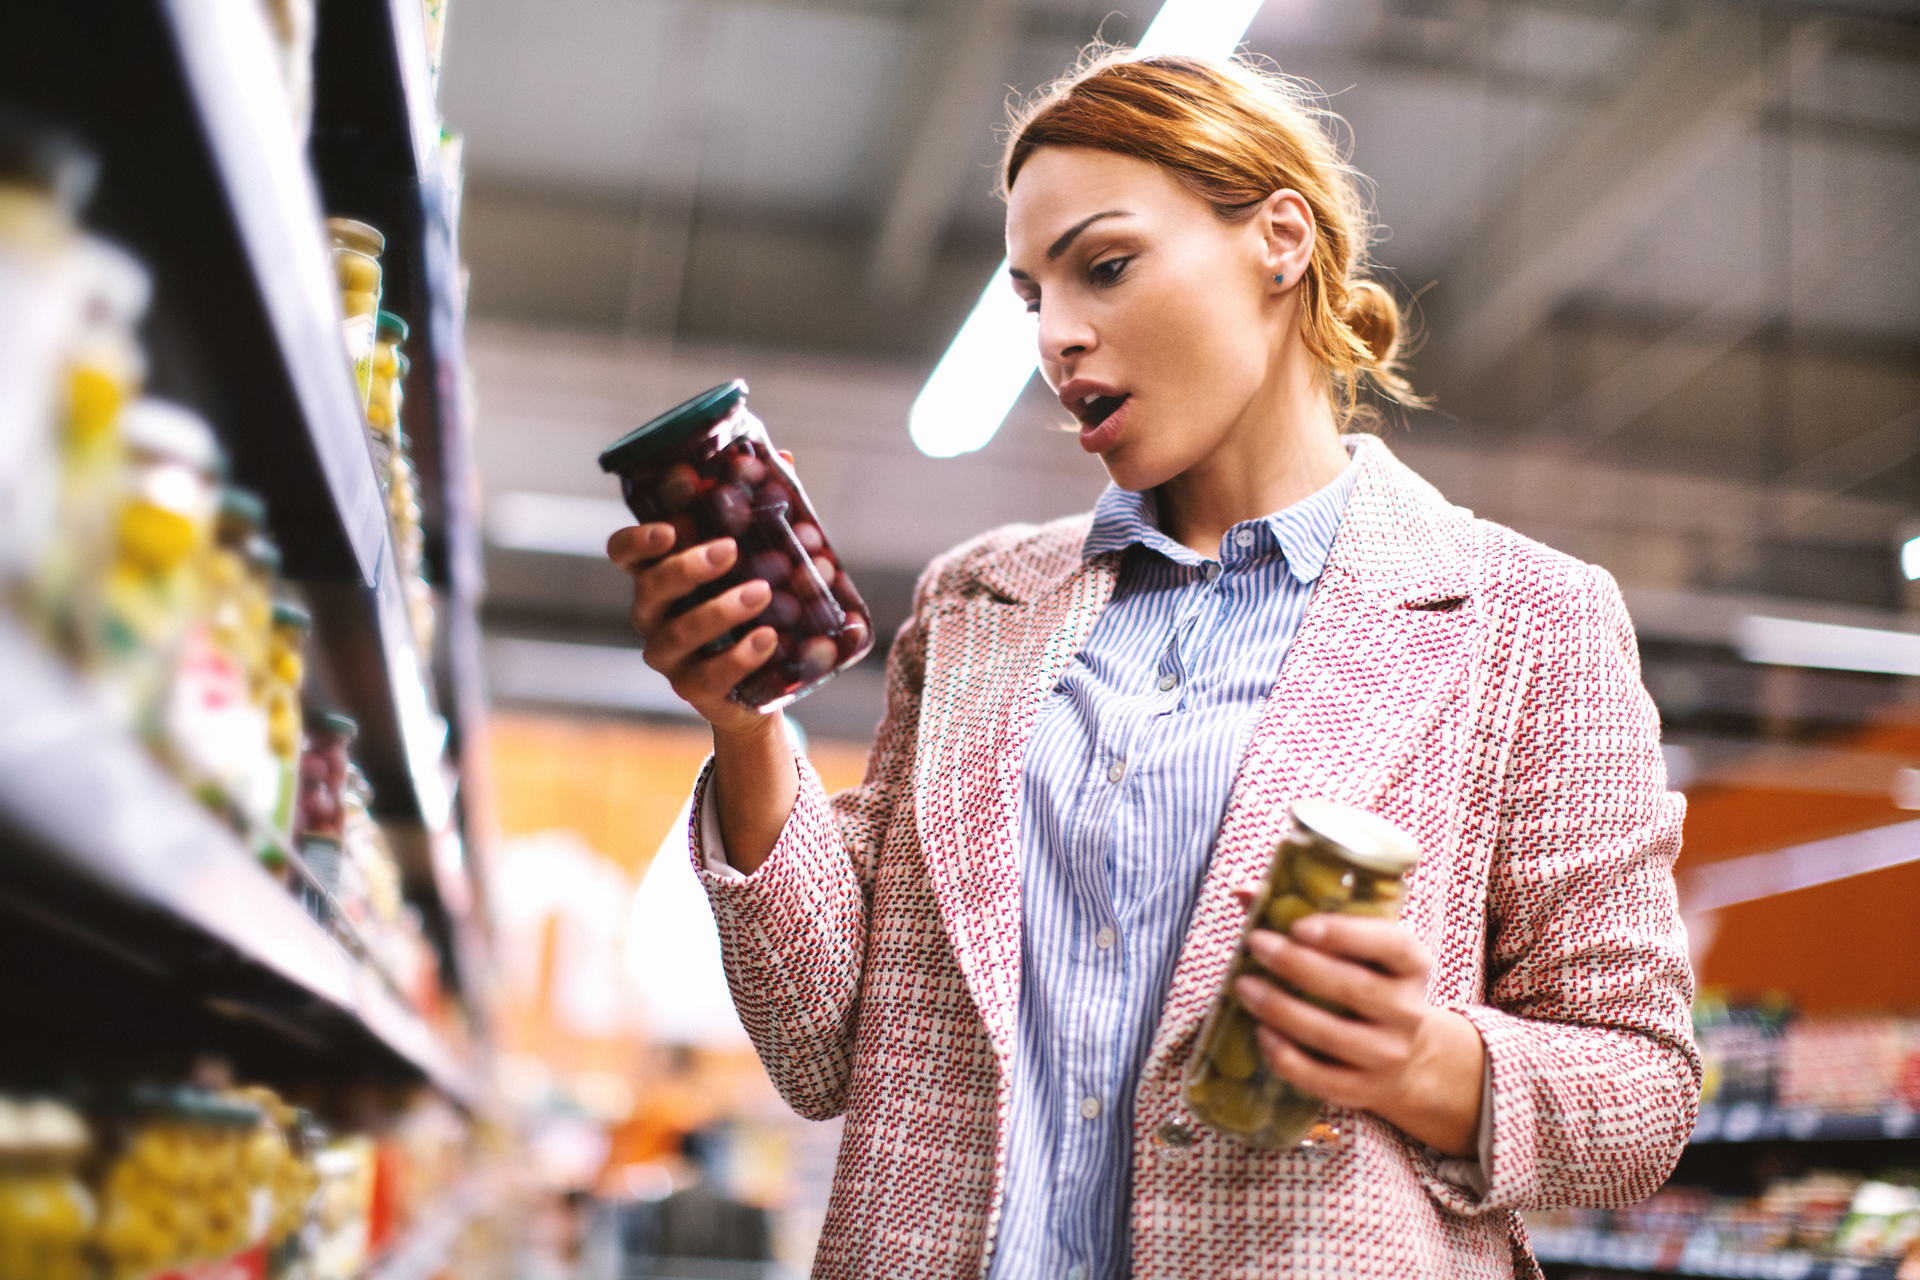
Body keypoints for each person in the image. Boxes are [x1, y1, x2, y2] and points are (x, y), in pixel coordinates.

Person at [608, 49, 1699, 1280]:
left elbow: (1644, 1094)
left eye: (1105, 266)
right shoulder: (978, 604)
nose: (1058, 337)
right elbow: (824, 1047)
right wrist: (745, 724)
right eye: (1030, 297)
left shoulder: (1528, 618)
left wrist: (1423, 1057)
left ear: (1279, 239)